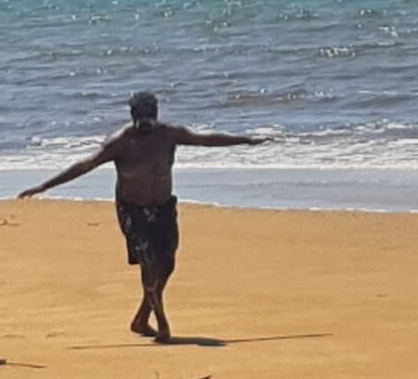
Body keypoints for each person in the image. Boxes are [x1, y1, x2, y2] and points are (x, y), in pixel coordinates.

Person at [17, 92, 267, 342]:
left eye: (150, 119)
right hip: (132, 209)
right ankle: (162, 324)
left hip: (163, 207)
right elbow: (85, 165)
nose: (146, 125)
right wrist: (44, 187)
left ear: (157, 115)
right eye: (141, 120)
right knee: (149, 263)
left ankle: (141, 319)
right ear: (132, 117)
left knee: (167, 265)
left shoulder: (169, 134)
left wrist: (244, 140)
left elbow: (205, 139)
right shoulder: (120, 142)